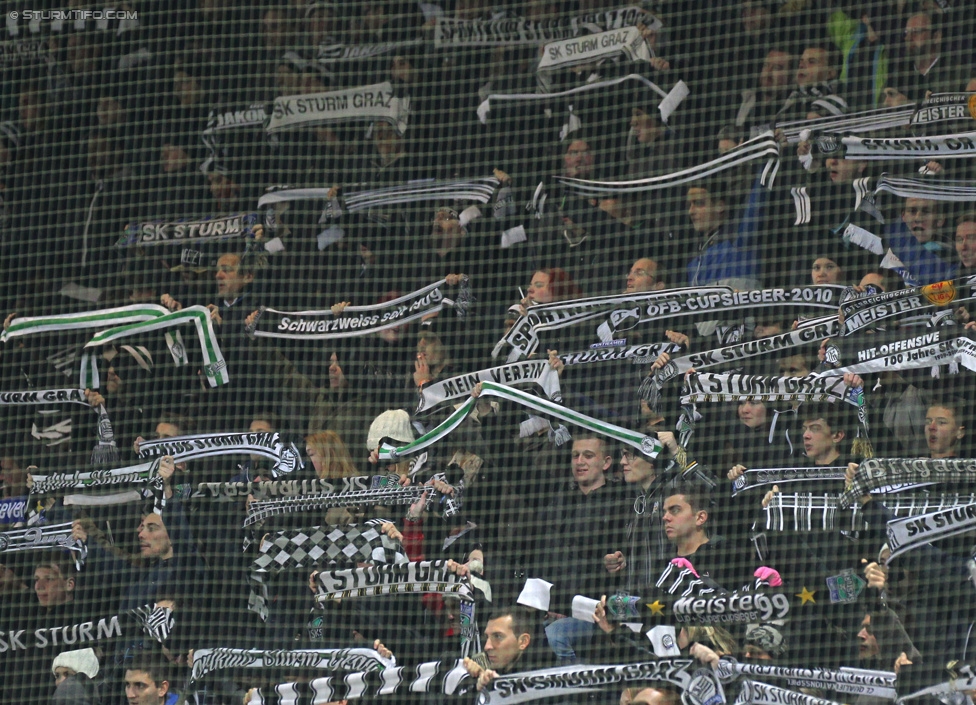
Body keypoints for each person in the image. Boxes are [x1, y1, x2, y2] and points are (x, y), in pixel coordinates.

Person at [534, 434, 627, 664]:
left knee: (556, 636)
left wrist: (611, 562)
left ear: (606, 462)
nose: (579, 462)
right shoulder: (558, 498)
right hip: (550, 609)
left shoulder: (621, 502)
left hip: (595, 615)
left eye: (588, 455)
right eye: (575, 455)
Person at [464, 607, 552, 691]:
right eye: (487, 637)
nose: (487, 646)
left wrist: (499, 688)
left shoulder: (545, 678)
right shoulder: (492, 669)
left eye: (498, 636)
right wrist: (477, 681)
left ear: (523, 642)